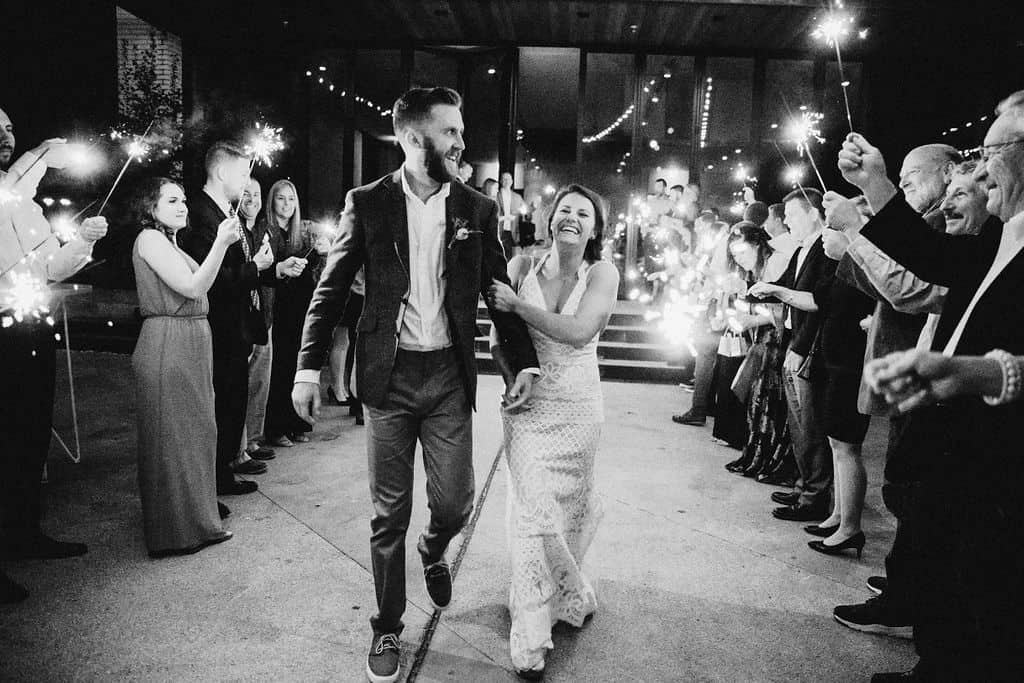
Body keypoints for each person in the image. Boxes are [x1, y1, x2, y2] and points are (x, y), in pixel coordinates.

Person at [290, 87, 538, 683]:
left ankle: (433, 550)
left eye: (460, 131)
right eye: (450, 132)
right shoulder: (367, 203)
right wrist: (305, 366)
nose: (461, 142)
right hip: (389, 379)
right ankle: (387, 628)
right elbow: (329, 290)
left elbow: (497, 291)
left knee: (454, 501)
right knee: (387, 514)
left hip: (450, 377)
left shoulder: (477, 210)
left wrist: (523, 362)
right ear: (411, 138)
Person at [836, 91, 1024, 680]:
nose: (980, 165)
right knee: (946, 580)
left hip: (1000, 457)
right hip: (956, 440)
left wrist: (971, 371)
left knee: (980, 598)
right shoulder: (1003, 235)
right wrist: (876, 182)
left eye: (992, 150)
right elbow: (932, 256)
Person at [487, 184, 619, 680]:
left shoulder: (603, 272)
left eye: (583, 213)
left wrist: (519, 308)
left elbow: (580, 331)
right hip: (529, 412)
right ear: (549, 219)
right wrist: (511, 375)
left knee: (566, 514)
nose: (572, 218)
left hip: (580, 410)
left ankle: (561, 592)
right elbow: (499, 340)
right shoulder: (521, 269)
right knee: (530, 516)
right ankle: (529, 629)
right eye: (564, 210)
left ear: (595, 228)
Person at [0, 110, 107, 603]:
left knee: (30, 429)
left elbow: (49, 265)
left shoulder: (22, 200)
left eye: (8, 126)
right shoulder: (12, 192)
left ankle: (23, 533)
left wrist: (82, 242)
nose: (6, 134)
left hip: (33, 324)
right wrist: (40, 153)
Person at [130, 177, 238, 557]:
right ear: (150, 207)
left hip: (190, 341)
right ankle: (174, 533)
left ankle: (199, 523)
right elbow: (193, 288)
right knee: (172, 439)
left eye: (184, 200)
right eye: (171, 200)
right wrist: (222, 244)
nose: (182, 206)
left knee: (197, 433)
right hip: (168, 344)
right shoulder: (150, 240)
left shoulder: (170, 242)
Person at [179, 141, 274, 497]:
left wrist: (263, 267)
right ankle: (214, 479)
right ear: (221, 172)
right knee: (221, 404)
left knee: (233, 402)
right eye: (242, 171)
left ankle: (222, 472)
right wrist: (256, 267)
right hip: (220, 326)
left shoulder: (224, 211)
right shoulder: (202, 215)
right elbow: (215, 283)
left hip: (238, 326)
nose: (247, 178)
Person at [749, 188, 836, 522]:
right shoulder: (802, 249)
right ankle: (803, 486)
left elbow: (817, 302)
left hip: (808, 347)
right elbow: (786, 288)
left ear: (813, 213)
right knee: (799, 425)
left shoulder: (826, 248)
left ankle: (815, 495)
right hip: (793, 341)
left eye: (792, 215)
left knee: (810, 424)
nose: (786, 222)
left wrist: (798, 347)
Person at [801, 215, 875, 557]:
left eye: (829, 233)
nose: (822, 240)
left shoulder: (863, 270)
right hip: (837, 363)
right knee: (836, 443)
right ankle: (838, 515)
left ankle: (850, 528)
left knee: (847, 446)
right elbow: (820, 297)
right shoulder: (843, 268)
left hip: (850, 365)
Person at [722, 224, 795, 484]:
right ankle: (754, 453)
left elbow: (781, 309)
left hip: (778, 341)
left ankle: (769, 457)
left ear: (757, 243)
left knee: (769, 400)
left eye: (743, 251)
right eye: (735, 254)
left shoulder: (777, 263)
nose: (740, 258)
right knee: (757, 398)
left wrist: (752, 318)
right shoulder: (751, 270)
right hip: (762, 340)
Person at [263, 180, 315, 448]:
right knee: (280, 369)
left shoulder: (303, 234)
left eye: (291, 199)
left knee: (297, 366)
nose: (286, 205)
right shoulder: (265, 230)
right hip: (278, 307)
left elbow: (312, 272)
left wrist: (321, 255)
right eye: (281, 199)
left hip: (300, 307)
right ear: (272, 202)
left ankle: (298, 423)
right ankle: (276, 427)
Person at [497, 171, 525, 258]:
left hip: (512, 231)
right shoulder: (496, 195)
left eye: (508, 179)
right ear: (501, 181)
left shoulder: (517, 197)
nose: (507, 181)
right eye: (504, 179)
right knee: (498, 256)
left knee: (509, 257)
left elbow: (525, 210)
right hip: (499, 231)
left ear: (512, 181)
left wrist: (533, 207)